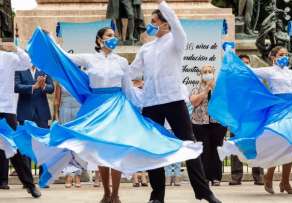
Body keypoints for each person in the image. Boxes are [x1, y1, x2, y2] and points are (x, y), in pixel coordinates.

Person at [12, 25, 202, 203]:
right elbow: (63, 58)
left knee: (116, 148)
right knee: (99, 149)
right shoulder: (88, 58)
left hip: (117, 107)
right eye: (109, 35)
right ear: (99, 40)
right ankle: (106, 192)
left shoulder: (121, 62)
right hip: (96, 106)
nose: (114, 38)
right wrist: (50, 38)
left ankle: (116, 194)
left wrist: (143, 106)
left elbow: (128, 89)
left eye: (115, 36)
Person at [129, 1, 222, 202]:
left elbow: (175, 22)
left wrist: (161, 4)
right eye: (150, 22)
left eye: (154, 21)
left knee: (189, 144)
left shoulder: (176, 41)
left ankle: (204, 192)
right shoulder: (146, 48)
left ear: (165, 23)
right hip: (151, 102)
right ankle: (157, 195)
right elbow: (132, 72)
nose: (150, 25)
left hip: (173, 99)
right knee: (153, 148)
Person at [209, 46, 292, 196]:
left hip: (291, 109)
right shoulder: (270, 71)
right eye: (281, 54)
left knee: (291, 144)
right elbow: (247, 71)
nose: (285, 56)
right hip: (278, 109)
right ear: (273, 57)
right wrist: (230, 54)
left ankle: (285, 182)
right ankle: (269, 177)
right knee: (277, 142)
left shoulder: (291, 73)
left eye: (286, 54)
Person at [0, 41, 41, 198]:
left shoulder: (8, 57)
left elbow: (26, 63)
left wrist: (16, 49)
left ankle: (30, 185)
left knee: (14, 148)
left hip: (5, 108)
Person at [14, 64, 54, 188]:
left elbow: (51, 87)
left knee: (43, 145)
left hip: (41, 113)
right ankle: (28, 181)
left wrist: (43, 86)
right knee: (26, 146)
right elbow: (16, 87)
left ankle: (44, 179)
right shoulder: (19, 69)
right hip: (25, 112)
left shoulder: (45, 69)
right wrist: (33, 86)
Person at [228, 55, 264, 186]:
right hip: (237, 118)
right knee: (236, 146)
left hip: (253, 118)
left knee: (256, 146)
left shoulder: (256, 79)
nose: (245, 65)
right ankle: (236, 176)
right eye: (242, 63)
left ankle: (259, 175)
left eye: (247, 63)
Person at [190, 64, 227, 186]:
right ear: (201, 75)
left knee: (216, 149)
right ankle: (204, 177)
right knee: (204, 150)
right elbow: (194, 102)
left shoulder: (221, 88)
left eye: (209, 71)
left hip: (218, 123)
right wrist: (206, 89)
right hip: (200, 123)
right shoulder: (197, 88)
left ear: (213, 73)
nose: (207, 73)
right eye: (204, 71)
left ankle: (216, 177)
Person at [53, 84, 82, 188]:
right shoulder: (60, 79)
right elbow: (56, 100)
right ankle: (68, 175)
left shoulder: (79, 75)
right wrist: (56, 117)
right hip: (64, 110)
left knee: (78, 143)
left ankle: (78, 175)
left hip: (79, 110)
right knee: (67, 144)